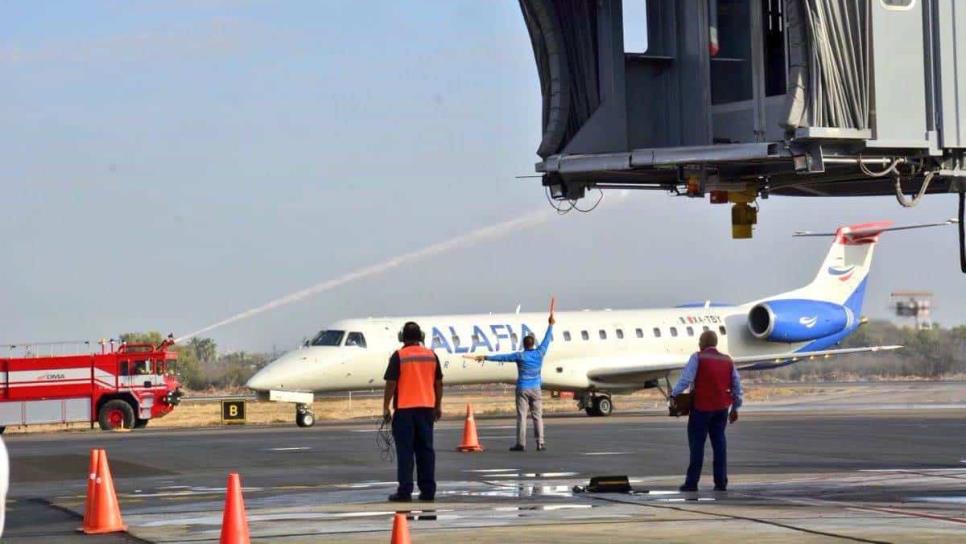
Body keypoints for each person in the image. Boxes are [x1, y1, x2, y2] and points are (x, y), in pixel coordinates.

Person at [671, 330, 743, 492]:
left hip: (701, 408)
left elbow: (686, 379)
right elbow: (737, 386)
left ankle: (692, 482)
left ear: (703, 343)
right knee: (719, 444)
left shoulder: (697, 357)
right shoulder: (727, 360)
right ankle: (721, 482)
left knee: (697, 445)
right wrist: (735, 407)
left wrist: (674, 394)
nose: (698, 343)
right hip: (721, 408)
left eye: (700, 340)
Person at [472, 311, 554, 451]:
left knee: (522, 417)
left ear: (524, 344)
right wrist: (550, 325)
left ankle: (521, 444)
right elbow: (547, 340)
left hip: (522, 387)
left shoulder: (520, 356)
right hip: (536, 388)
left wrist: (486, 357)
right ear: (533, 344)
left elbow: (502, 357)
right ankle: (540, 443)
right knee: (537, 417)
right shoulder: (540, 353)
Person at [383, 321, 443, 502]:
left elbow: (391, 383)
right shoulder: (431, 355)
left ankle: (405, 490)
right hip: (426, 410)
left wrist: (385, 406)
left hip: (405, 411)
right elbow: (438, 382)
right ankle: (428, 491)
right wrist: (438, 405)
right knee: (426, 451)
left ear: (402, 337)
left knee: (405, 453)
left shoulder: (399, 356)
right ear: (421, 336)